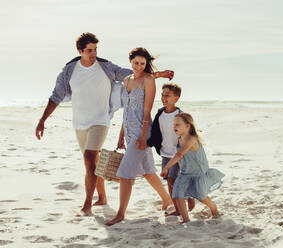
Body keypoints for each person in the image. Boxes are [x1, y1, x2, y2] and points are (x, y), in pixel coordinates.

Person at [35, 32, 174, 216]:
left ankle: (88, 205)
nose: (93, 54)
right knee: (95, 164)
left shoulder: (106, 67)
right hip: (80, 123)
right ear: (80, 51)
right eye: (89, 50)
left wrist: (159, 74)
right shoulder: (69, 71)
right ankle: (104, 198)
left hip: (101, 120)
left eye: (95, 49)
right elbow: (56, 96)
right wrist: (42, 120)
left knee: (93, 160)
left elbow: (137, 75)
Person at [105, 47, 173, 226]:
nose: (139, 66)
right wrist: (121, 134)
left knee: (126, 174)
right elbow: (126, 111)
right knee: (148, 171)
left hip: (141, 133)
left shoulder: (148, 80)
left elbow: (146, 110)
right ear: (130, 61)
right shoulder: (127, 80)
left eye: (143, 63)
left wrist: (143, 137)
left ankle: (120, 213)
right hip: (128, 131)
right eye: (136, 62)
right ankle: (167, 200)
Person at [161, 112, 224, 223]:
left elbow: (179, 155)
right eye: (174, 124)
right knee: (177, 194)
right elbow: (180, 158)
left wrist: (166, 167)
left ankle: (213, 208)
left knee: (201, 196)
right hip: (185, 173)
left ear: (187, 126)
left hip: (198, 174)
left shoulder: (192, 139)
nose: (174, 127)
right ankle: (185, 219)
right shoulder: (179, 140)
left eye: (178, 124)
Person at [147, 84, 195, 216]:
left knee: (174, 180)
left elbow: (189, 133)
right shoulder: (160, 113)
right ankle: (181, 203)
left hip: (178, 154)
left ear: (176, 98)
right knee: (169, 180)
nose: (163, 98)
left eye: (167, 95)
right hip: (165, 152)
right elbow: (156, 131)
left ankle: (183, 204)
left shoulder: (180, 115)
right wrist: (148, 143)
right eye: (162, 95)